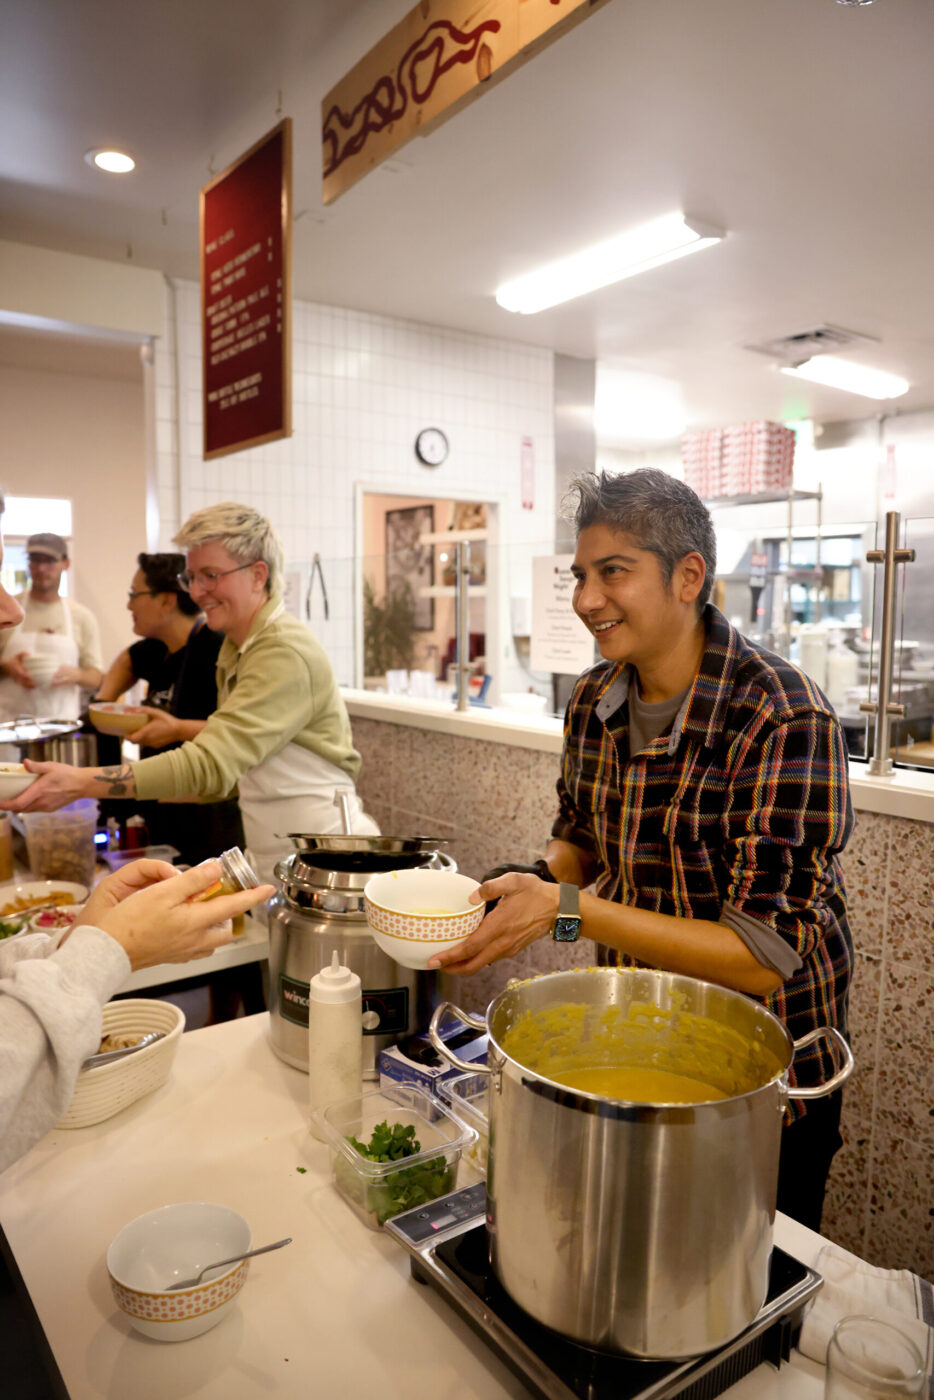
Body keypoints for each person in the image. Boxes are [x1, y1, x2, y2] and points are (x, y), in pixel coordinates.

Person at [431, 468, 854, 1231]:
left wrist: (564, 912)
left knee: (735, 1294)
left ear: (688, 576)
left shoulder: (783, 718)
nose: (586, 599)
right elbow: (583, 847)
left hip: (761, 1080)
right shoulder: (594, 700)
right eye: (579, 576)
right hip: (628, 1039)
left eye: (612, 573)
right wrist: (530, 892)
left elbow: (762, 955)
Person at [3, 503, 378, 886]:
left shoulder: (282, 650)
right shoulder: (236, 650)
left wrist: (79, 783)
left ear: (257, 575)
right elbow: (230, 777)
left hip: (333, 863)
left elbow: (211, 765)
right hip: (279, 856)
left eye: (211, 576)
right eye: (192, 577)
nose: (197, 593)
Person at [94, 552, 244, 865]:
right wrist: (103, 701)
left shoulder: (216, 651)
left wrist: (177, 728)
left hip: (208, 821)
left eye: (134, 595)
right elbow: (127, 660)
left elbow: (240, 734)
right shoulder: (156, 649)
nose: (128, 605)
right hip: (162, 813)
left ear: (166, 601)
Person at [0, 531, 103, 721]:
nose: (41, 568)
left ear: (66, 563)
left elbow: (96, 677)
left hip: (61, 726)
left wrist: (76, 675)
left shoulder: (81, 616)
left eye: (49, 560)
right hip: (8, 727)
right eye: (35, 560)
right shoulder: (7, 612)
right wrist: (7, 667)